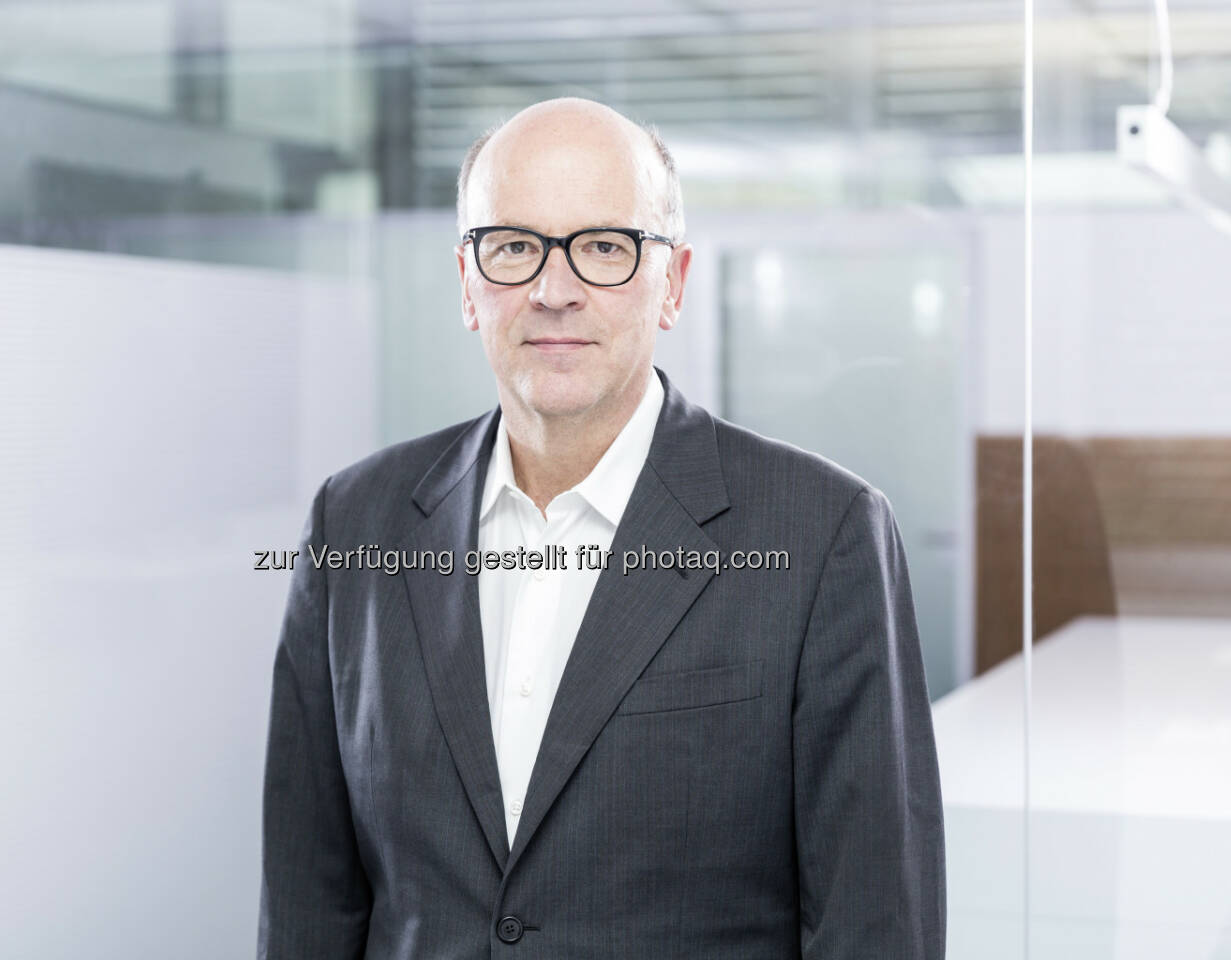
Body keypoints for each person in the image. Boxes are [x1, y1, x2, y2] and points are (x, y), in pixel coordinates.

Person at [258, 97, 945, 959]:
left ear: (674, 284)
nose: (553, 290)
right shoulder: (353, 524)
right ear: (468, 284)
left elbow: (875, 923)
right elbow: (308, 902)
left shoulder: (823, 534)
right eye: (514, 247)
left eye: (604, 248)